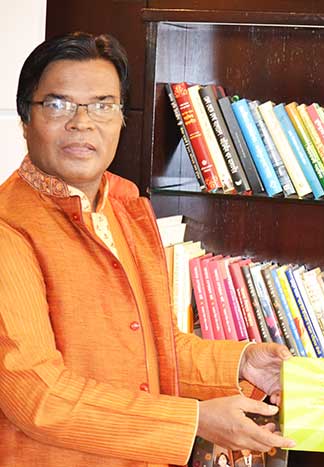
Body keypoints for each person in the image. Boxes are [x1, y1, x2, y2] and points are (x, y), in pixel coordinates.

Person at [0, 32, 294, 466]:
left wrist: (242, 364)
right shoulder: (9, 226)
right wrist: (192, 421)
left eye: (102, 105)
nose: (82, 122)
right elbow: (38, 395)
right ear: (26, 119)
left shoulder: (124, 209)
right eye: (59, 104)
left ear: (121, 118)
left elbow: (154, 347)